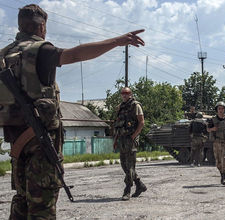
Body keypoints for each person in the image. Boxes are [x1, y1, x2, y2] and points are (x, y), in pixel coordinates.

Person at [0, 4, 145, 219]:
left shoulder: (4, 55)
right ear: (42, 28)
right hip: (40, 142)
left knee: (21, 201)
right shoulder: (41, 50)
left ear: (20, 25)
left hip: (15, 144)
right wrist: (117, 41)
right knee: (42, 206)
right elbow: (75, 55)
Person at [113, 87, 147, 201]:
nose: (124, 95)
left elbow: (141, 122)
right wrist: (115, 140)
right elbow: (118, 125)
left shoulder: (135, 106)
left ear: (130, 94)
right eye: (123, 93)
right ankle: (139, 185)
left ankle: (127, 190)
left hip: (131, 139)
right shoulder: (120, 107)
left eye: (127, 93)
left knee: (130, 166)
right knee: (124, 165)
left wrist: (134, 136)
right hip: (122, 139)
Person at [207, 102, 225, 186]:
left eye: (222, 108)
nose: (221, 110)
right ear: (217, 110)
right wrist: (213, 128)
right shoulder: (213, 120)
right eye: (219, 108)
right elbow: (208, 129)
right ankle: (222, 175)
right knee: (218, 162)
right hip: (217, 143)